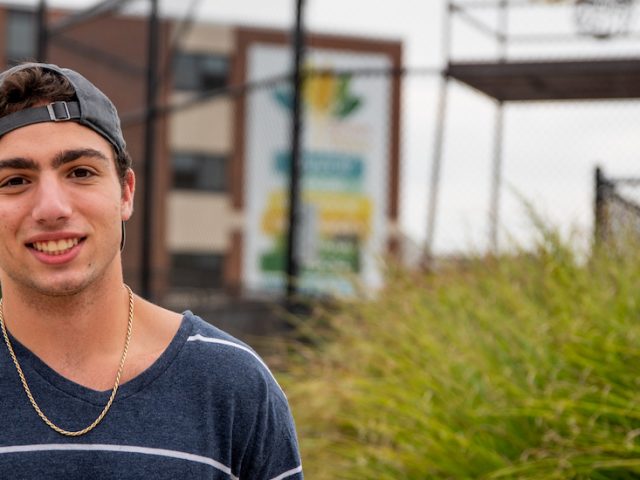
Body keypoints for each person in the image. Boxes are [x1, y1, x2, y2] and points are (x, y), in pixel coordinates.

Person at [0, 62, 303, 479]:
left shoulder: (231, 384)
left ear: (125, 192)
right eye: (14, 180)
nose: (52, 208)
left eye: (81, 173)